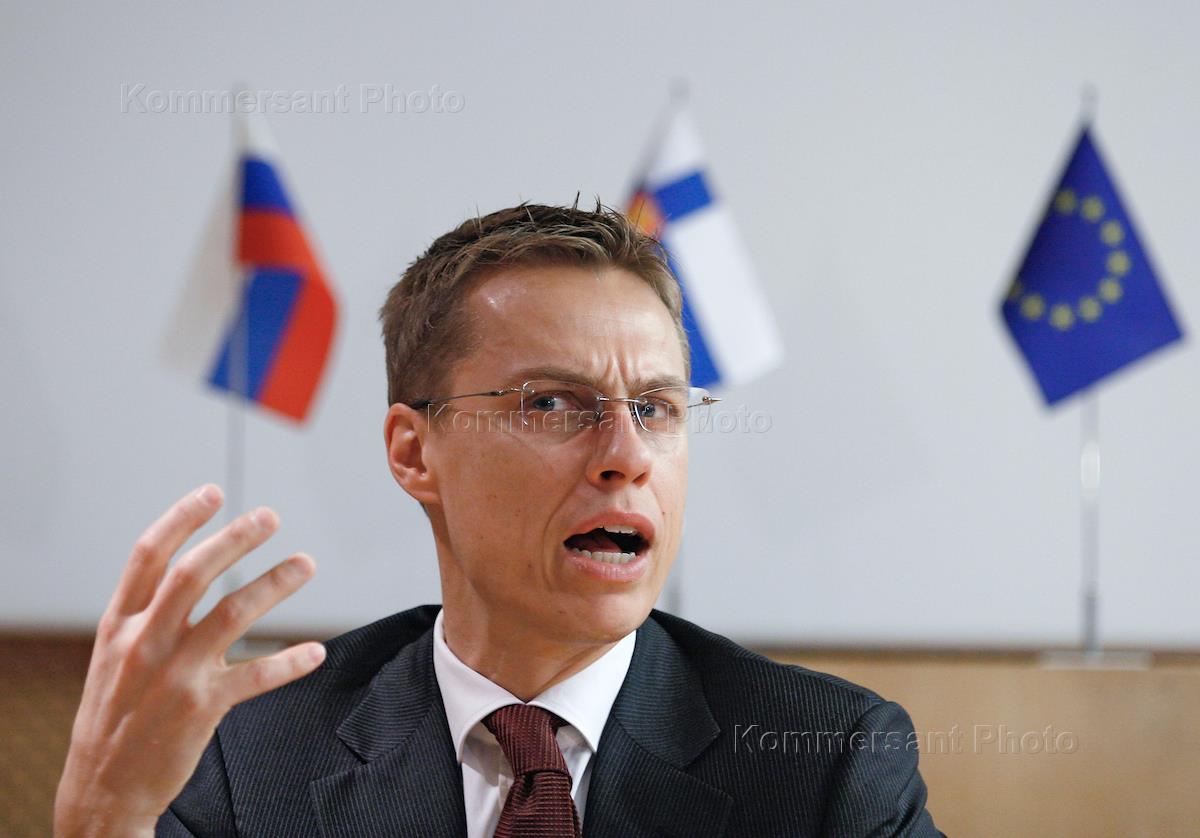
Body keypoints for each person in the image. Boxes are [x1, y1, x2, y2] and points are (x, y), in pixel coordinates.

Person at [55, 203, 942, 837]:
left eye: (656, 408)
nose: (627, 455)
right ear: (415, 452)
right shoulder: (248, 758)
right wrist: (106, 820)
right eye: (553, 403)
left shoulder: (826, 764)